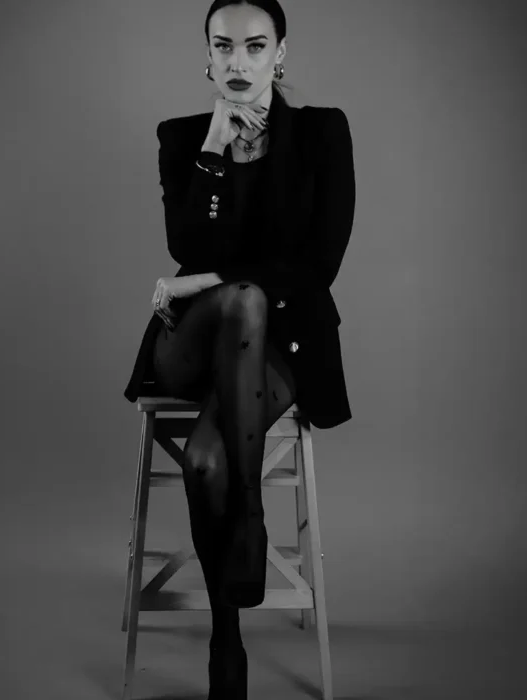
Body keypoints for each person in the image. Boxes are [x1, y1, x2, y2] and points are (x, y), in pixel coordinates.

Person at [123, 0, 355, 696]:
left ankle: (227, 636)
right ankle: (250, 515)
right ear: (207, 56)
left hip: (281, 346)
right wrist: (215, 150)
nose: (238, 61)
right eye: (223, 46)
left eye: (255, 46)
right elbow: (188, 242)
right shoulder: (183, 139)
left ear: (279, 54)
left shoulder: (321, 134)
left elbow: (317, 265)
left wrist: (204, 279)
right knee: (243, 299)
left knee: (206, 456)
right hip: (190, 346)